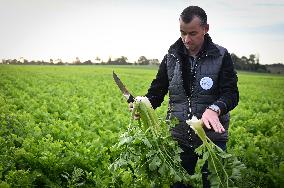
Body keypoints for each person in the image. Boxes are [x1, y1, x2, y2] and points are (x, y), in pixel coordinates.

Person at [130, 5, 239, 188]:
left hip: (211, 138)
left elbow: (231, 93)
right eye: (182, 33)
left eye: (193, 33)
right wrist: (142, 104)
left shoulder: (221, 56)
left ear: (206, 29)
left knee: (215, 184)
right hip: (179, 138)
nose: (186, 39)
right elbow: (157, 92)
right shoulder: (171, 56)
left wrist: (215, 109)